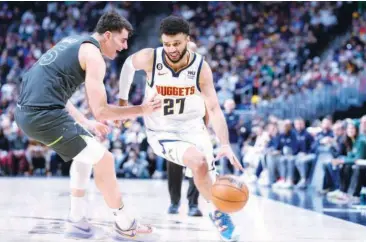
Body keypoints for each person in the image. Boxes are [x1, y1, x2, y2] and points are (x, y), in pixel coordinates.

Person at [15, 11, 160, 240]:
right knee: (105, 159)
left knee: (86, 154)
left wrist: (85, 122)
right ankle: (124, 224)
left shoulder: (72, 41)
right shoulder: (94, 57)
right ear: (108, 35)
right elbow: (102, 110)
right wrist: (142, 109)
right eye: (122, 40)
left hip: (31, 111)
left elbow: (53, 89)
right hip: (41, 116)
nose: (124, 47)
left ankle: (77, 221)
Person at [118, 15, 243, 241]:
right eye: (167, 44)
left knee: (208, 178)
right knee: (198, 162)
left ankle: (209, 207)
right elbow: (128, 65)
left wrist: (224, 144)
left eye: (176, 43)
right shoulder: (150, 58)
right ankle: (219, 214)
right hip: (163, 131)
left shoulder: (201, 68)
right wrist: (123, 100)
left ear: (187, 40)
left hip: (194, 129)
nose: (171, 49)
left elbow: (214, 109)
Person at [166, 41, 203, 217]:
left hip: (195, 126)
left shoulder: (202, 74)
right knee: (174, 166)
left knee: (197, 164)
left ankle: (193, 204)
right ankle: (174, 202)